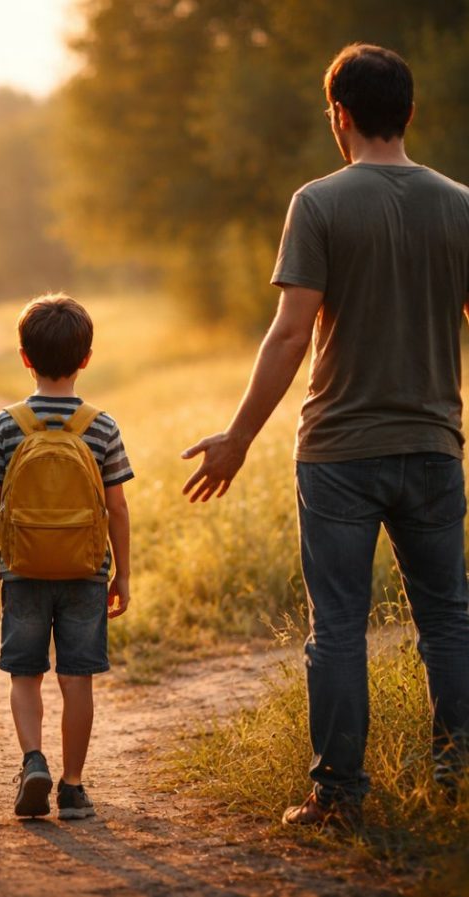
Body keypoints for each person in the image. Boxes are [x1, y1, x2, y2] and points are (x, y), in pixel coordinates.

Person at [181, 43, 469, 827]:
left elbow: (289, 335)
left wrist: (238, 436)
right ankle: (459, 782)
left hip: (341, 454)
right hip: (436, 448)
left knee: (337, 626)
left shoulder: (319, 202)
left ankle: (339, 796)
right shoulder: (460, 204)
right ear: (408, 112)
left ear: (339, 116)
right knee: (449, 617)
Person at [0, 293, 133, 820]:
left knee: (25, 674)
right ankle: (72, 786)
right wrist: (123, 575)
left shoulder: (6, 424)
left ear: (24, 356)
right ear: (86, 357)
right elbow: (118, 509)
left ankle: (32, 760)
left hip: (21, 569)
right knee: (76, 679)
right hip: (86, 572)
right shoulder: (101, 426)